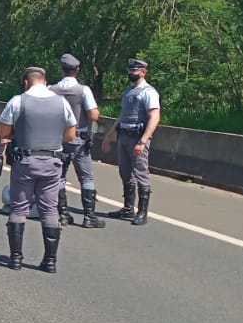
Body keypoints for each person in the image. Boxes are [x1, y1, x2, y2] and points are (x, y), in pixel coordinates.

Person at [0, 66, 77, 272]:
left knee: (19, 208)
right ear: (44, 80)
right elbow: (70, 135)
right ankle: (50, 261)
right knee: (49, 210)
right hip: (52, 162)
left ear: (26, 82)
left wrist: (17, 133)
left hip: (25, 161)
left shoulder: (18, 101)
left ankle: (15, 259)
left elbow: (2, 132)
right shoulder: (61, 102)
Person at [101, 58, 161, 226]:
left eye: (134, 71)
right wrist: (110, 134)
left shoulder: (148, 92)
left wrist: (143, 141)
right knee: (125, 172)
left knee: (141, 172)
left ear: (143, 72)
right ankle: (128, 208)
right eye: (129, 71)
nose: (130, 74)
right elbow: (123, 116)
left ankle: (142, 211)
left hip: (137, 137)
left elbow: (154, 117)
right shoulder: (128, 92)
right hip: (124, 136)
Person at [50, 53, 102, 228]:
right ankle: (89, 217)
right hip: (79, 139)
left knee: (59, 177)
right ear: (77, 70)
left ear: (62, 69)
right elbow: (94, 115)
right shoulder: (83, 90)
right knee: (86, 177)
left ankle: (63, 214)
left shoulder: (52, 90)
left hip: (58, 138)